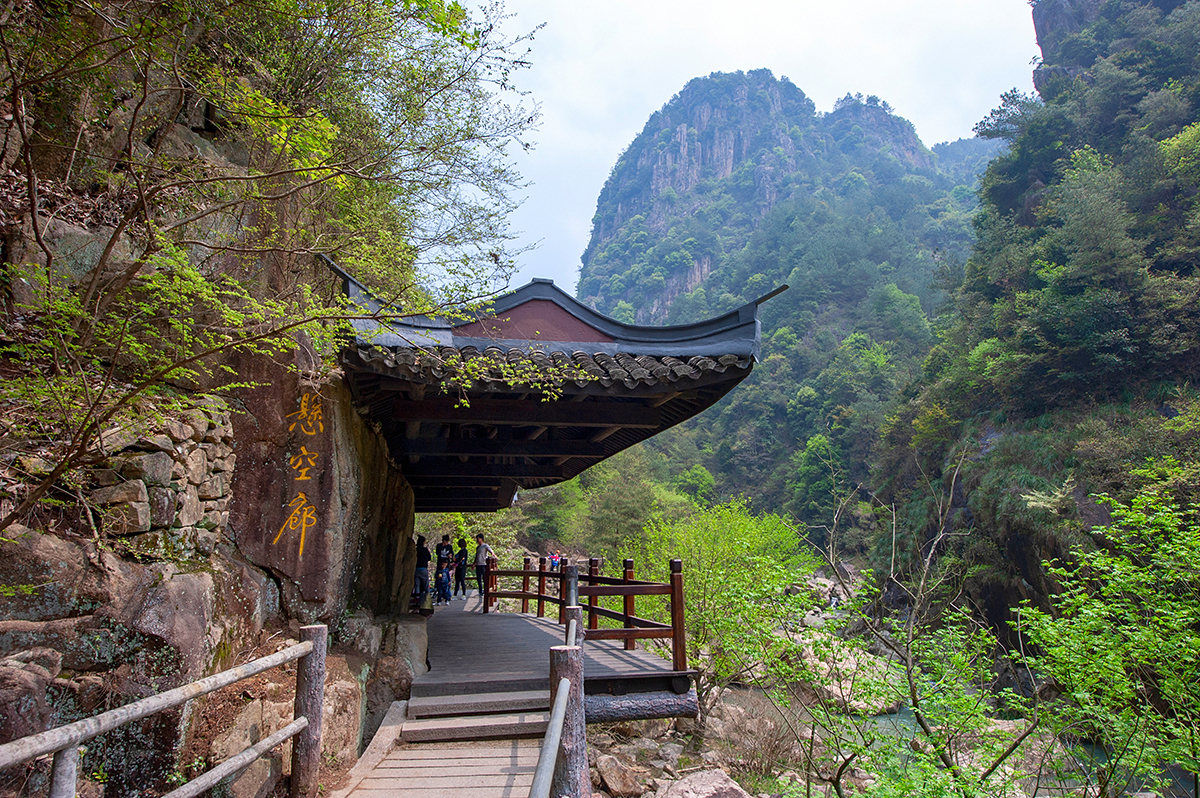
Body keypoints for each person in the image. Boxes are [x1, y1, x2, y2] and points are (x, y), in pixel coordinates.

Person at [474, 533, 495, 609]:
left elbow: (490, 550)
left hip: (483, 564)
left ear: (481, 538)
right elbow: (476, 556)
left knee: (484, 578)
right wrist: (474, 563)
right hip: (478, 564)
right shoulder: (478, 547)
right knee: (478, 578)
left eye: (478, 539)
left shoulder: (485, 545)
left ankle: (485, 590)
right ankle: (480, 591)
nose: (477, 540)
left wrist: (493, 554)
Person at [413, 535, 430, 605]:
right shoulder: (425, 550)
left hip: (416, 569)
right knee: (426, 585)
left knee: (417, 585)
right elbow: (429, 558)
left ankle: (417, 601)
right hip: (423, 569)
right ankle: (427, 601)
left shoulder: (415, 550)